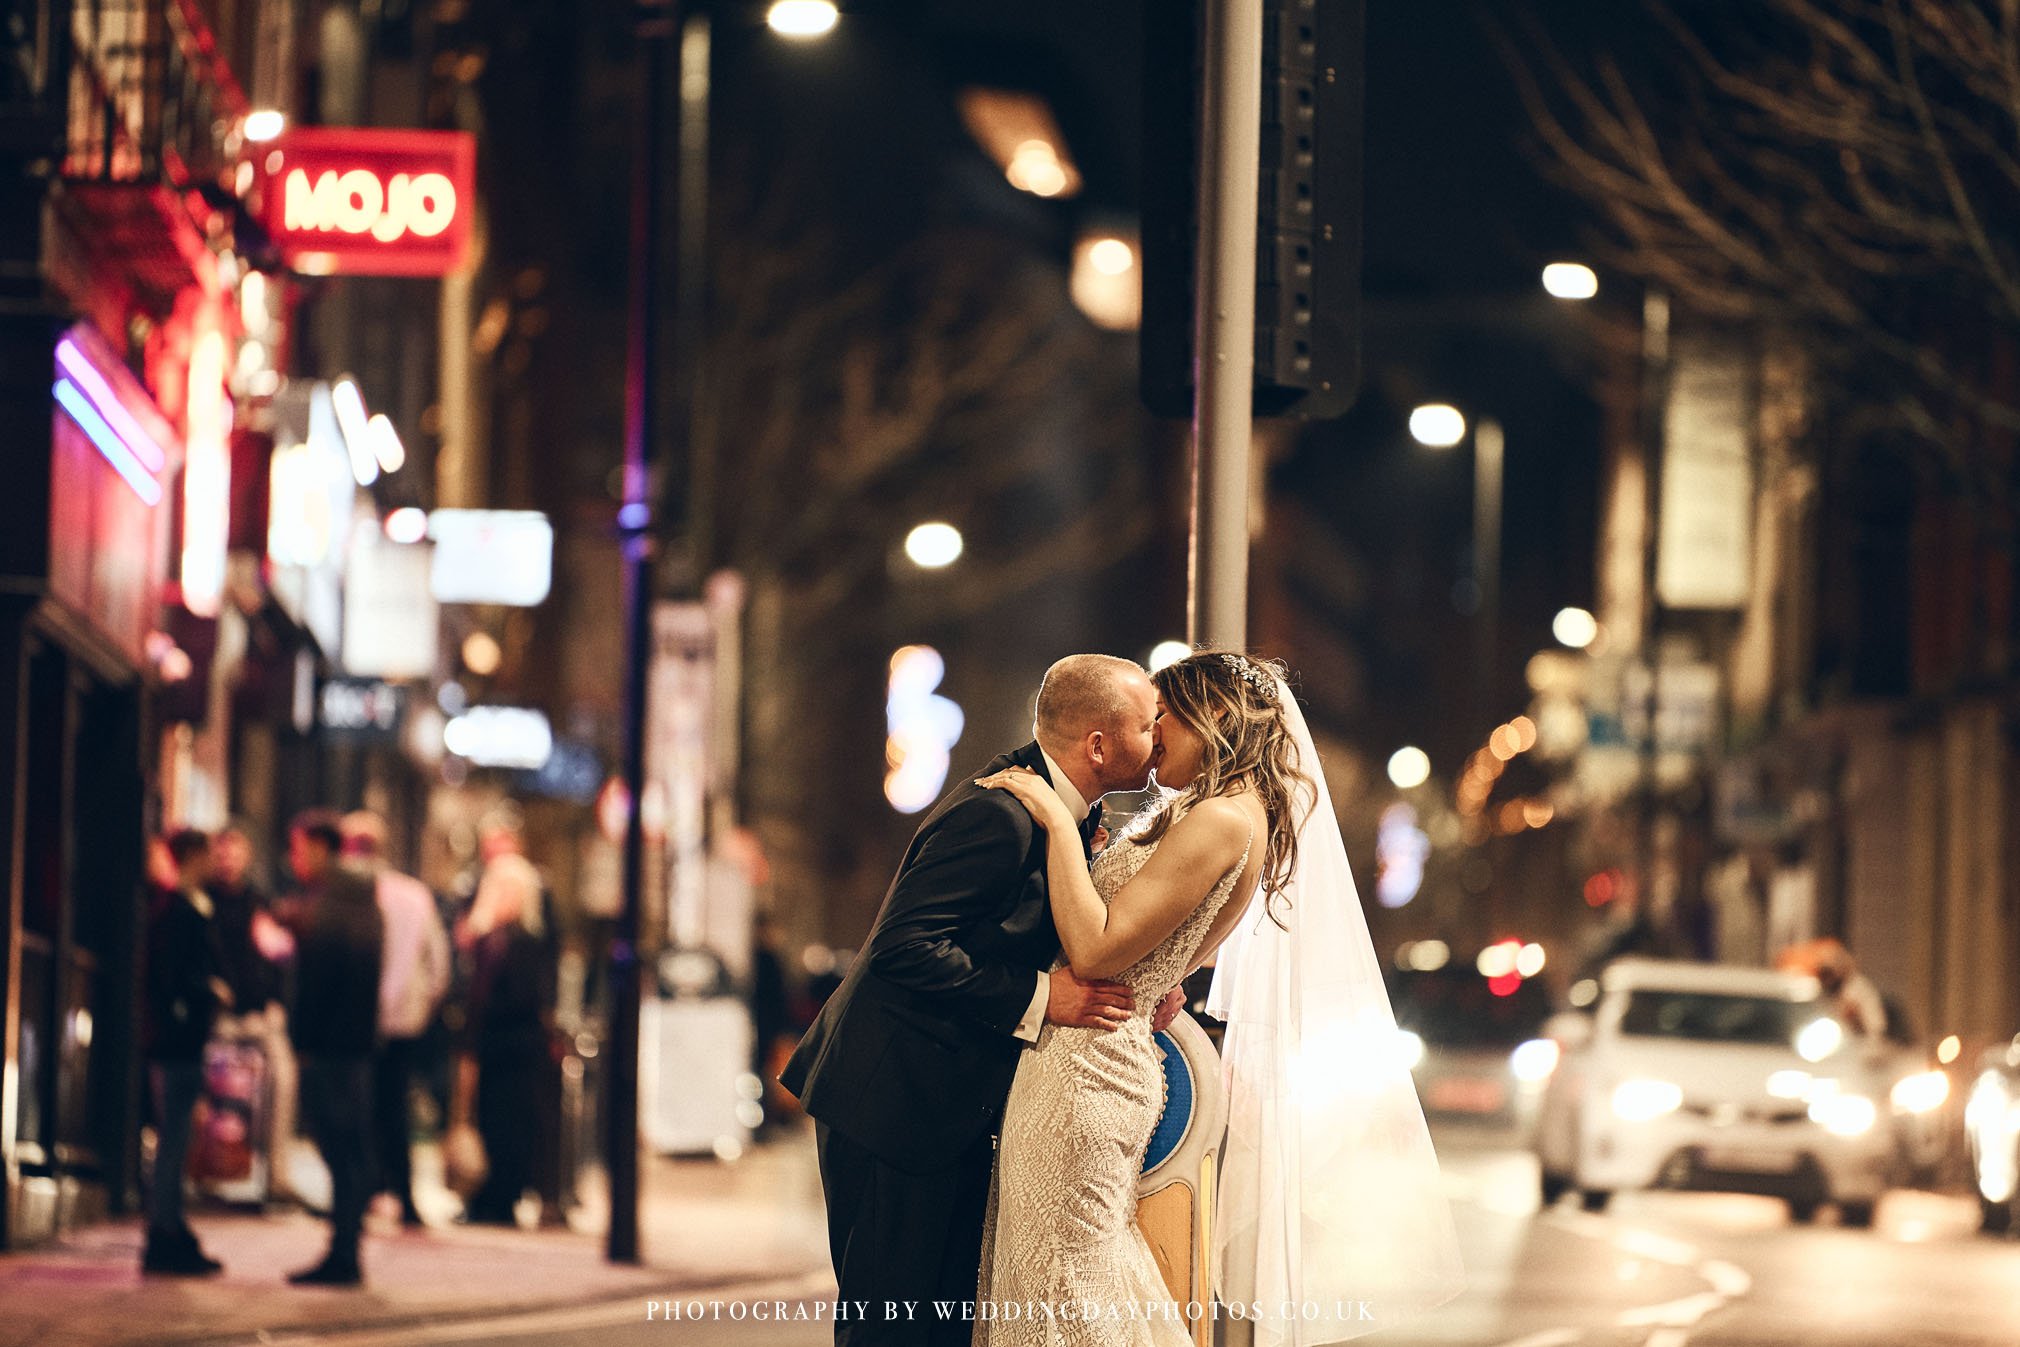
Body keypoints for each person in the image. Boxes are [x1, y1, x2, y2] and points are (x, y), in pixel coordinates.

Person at [975, 652, 1464, 1346]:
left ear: (1218, 718)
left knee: (1065, 1287)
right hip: (1092, 1060)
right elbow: (1171, 957)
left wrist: (1056, 823)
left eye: (1164, 717)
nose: (1152, 735)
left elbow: (1095, 950)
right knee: (1075, 1278)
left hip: (1084, 1071)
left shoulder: (1223, 820)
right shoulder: (1221, 816)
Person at [780, 653, 1184, 1347]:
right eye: (1149, 725)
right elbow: (902, 947)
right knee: (891, 1328)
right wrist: (1041, 996)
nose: (1160, 739)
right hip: (895, 1106)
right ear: (1098, 744)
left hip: (946, 1105)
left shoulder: (1060, 811)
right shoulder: (999, 814)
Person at [277, 809, 384, 1286]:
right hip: (353, 1044)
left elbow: (320, 981)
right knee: (348, 1148)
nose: (294, 860)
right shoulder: (359, 900)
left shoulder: (333, 904)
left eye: (299, 849)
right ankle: (345, 1248)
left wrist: (303, 1039)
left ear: (321, 848)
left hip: (331, 1047)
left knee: (341, 1146)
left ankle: (343, 1253)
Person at [342, 811, 451, 1227]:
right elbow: (437, 964)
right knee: (393, 1107)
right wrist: (422, 1003)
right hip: (404, 1020)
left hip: (356, 1018)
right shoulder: (413, 895)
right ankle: (402, 1194)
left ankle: (365, 1190)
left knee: (357, 1106)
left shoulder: (350, 893)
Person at [140, 829, 229, 1276]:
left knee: (177, 1138)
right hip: (176, 1044)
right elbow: (171, 977)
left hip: (181, 1041)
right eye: (211, 851)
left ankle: (170, 1226)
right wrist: (208, 989)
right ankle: (164, 1233)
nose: (218, 859)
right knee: (173, 1140)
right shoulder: (178, 909)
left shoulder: (188, 906)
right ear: (193, 855)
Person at [453, 850, 554, 1225]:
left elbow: (524, 997)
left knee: (510, 1127)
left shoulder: (526, 940)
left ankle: (502, 1198)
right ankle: (482, 1197)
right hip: (490, 1046)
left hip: (514, 1048)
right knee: (486, 1121)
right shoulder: (487, 939)